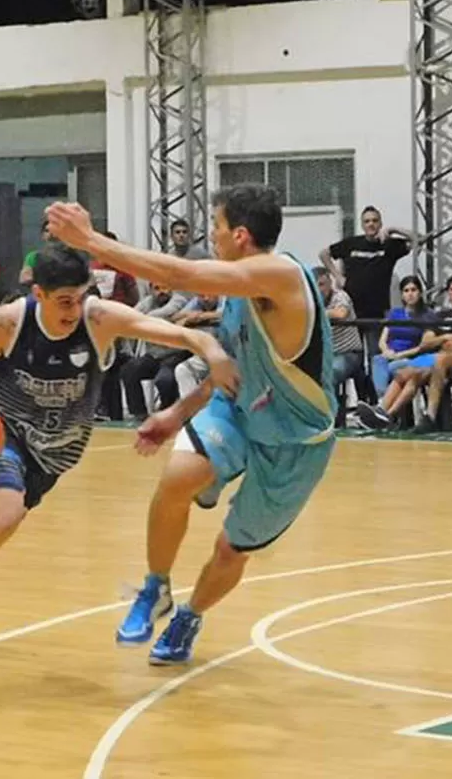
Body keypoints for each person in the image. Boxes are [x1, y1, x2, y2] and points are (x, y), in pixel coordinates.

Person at [0, 243, 238, 681]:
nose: (74, 309)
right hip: (6, 437)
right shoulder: (11, 321)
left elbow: (187, 335)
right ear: (39, 295)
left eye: (80, 297)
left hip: (55, 456)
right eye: (63, 301)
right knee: (3, 514)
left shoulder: (99, 319)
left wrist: (214, 353)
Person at [48, 184, 339, 666]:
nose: (211, 236)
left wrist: (92, 241)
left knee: (230, 548)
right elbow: (233, 370)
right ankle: (155, 588)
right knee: (177, 478)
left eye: (217, 228)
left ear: (240, 236)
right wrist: (175, 414)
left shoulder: (281, 275)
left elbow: (179, 271)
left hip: (296, 442)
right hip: (242, 413)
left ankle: (190, 614)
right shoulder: (238, 295)